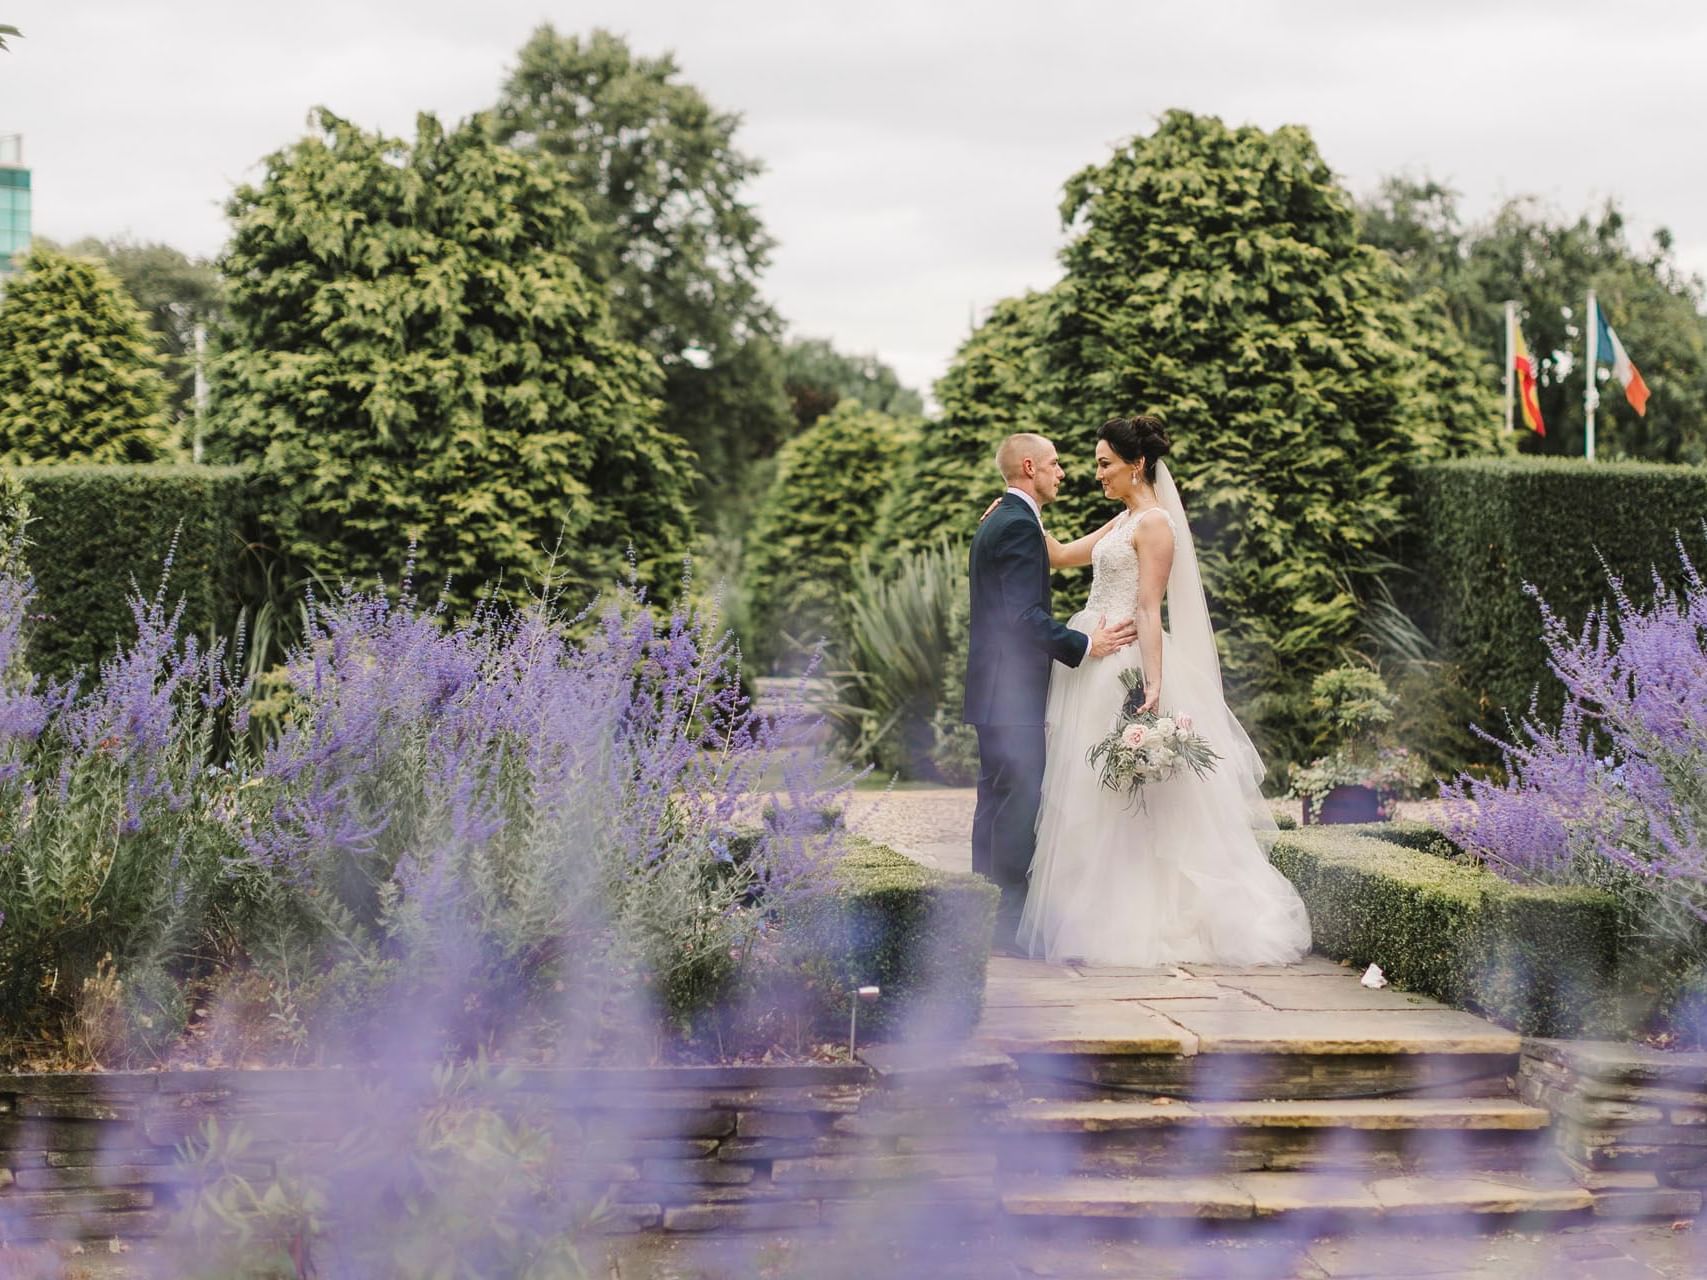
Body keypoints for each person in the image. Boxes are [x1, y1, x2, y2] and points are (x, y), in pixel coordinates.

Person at [1017, 415, 1311, 966]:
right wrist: (1015, 509)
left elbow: (1150, 609)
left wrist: (1153, 687)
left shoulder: (1154, 525)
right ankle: (1094, 913)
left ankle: (1148, 919)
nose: (1097, 473)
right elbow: (1059, 555)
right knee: (1089, 792)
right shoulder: (1122, 520)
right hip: (1092, 658)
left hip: (1126, 664)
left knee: (1134, 798)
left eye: (1105, 463)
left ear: (1137, 465)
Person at [963, 433, 1136, 951]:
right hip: (1011, 691)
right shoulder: (1015, 523)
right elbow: (1022, 617)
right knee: (1018, 804)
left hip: (993, 690)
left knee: (994, 801)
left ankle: (983, 915)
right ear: (1031, 466)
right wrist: (1085, 642)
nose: (1063, 473)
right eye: (1056, 464)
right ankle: (1007, 926)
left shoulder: (1008, 519)